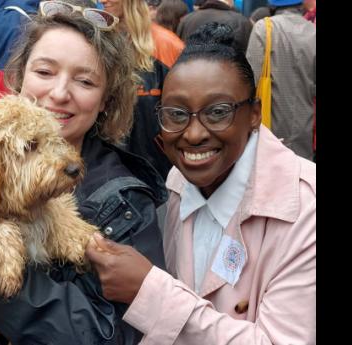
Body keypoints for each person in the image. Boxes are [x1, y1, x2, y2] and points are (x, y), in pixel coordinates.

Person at [0, 3, 167, 344]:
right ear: (17, 77)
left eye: (85, 80)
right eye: (44, 72)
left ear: (106, 99)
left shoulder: (125, 203)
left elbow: (117, 336)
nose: (58, 94)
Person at [86, 22, 316, 344]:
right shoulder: (179, 181)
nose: (193, 135)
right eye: (177, 114)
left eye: (218, 112)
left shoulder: (305, 209)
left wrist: (149, 292)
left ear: (254, 114)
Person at [99, 0, 184, 180]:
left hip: (157, 172)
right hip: (108, 169)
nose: (102, 0)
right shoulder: (100, 39)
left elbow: (185, 109)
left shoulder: (167, 45)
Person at [246, 0, 316, 161]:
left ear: (272, 5)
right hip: (304, 125)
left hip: (269, 124)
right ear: (301, 4)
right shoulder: (313, 31)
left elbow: (251, 79)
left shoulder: (264, 28)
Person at [176, 0, 252, 51]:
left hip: (189, 72)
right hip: (226, 73)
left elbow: (178, 50)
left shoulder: (187, 20)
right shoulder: (242, 22)